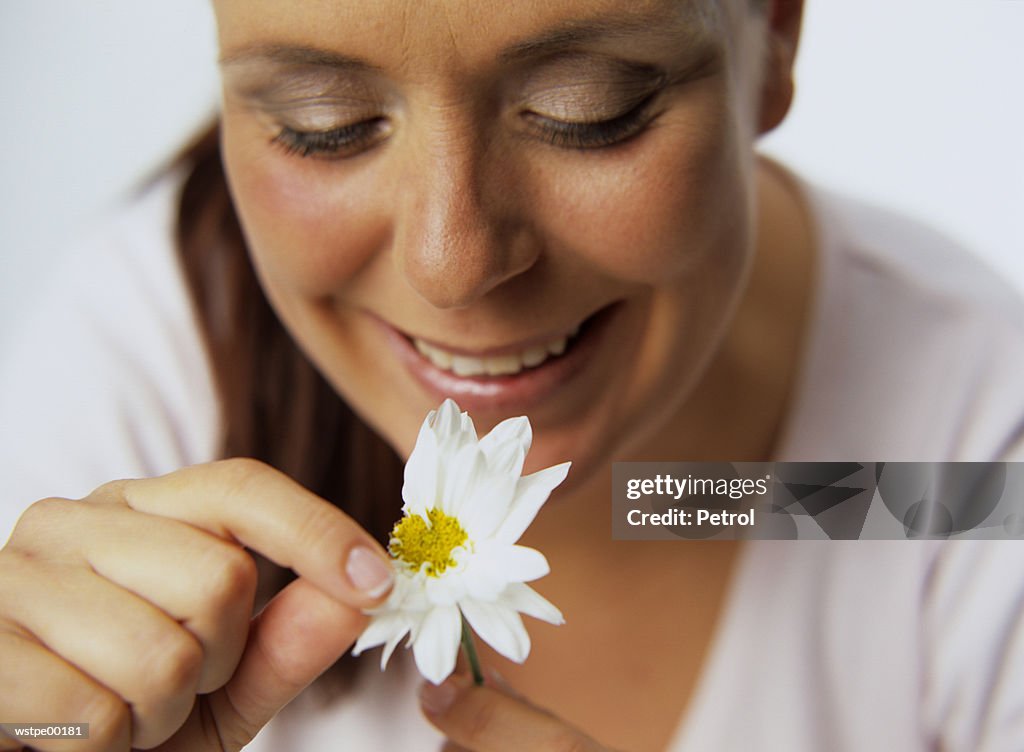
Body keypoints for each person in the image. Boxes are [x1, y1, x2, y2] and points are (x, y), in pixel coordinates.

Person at [1, 0, 1023, 750]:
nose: (452, 266)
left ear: (775, 40)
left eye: (590, 110)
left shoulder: (960, 468)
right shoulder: (155, 353)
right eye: (324, 125)